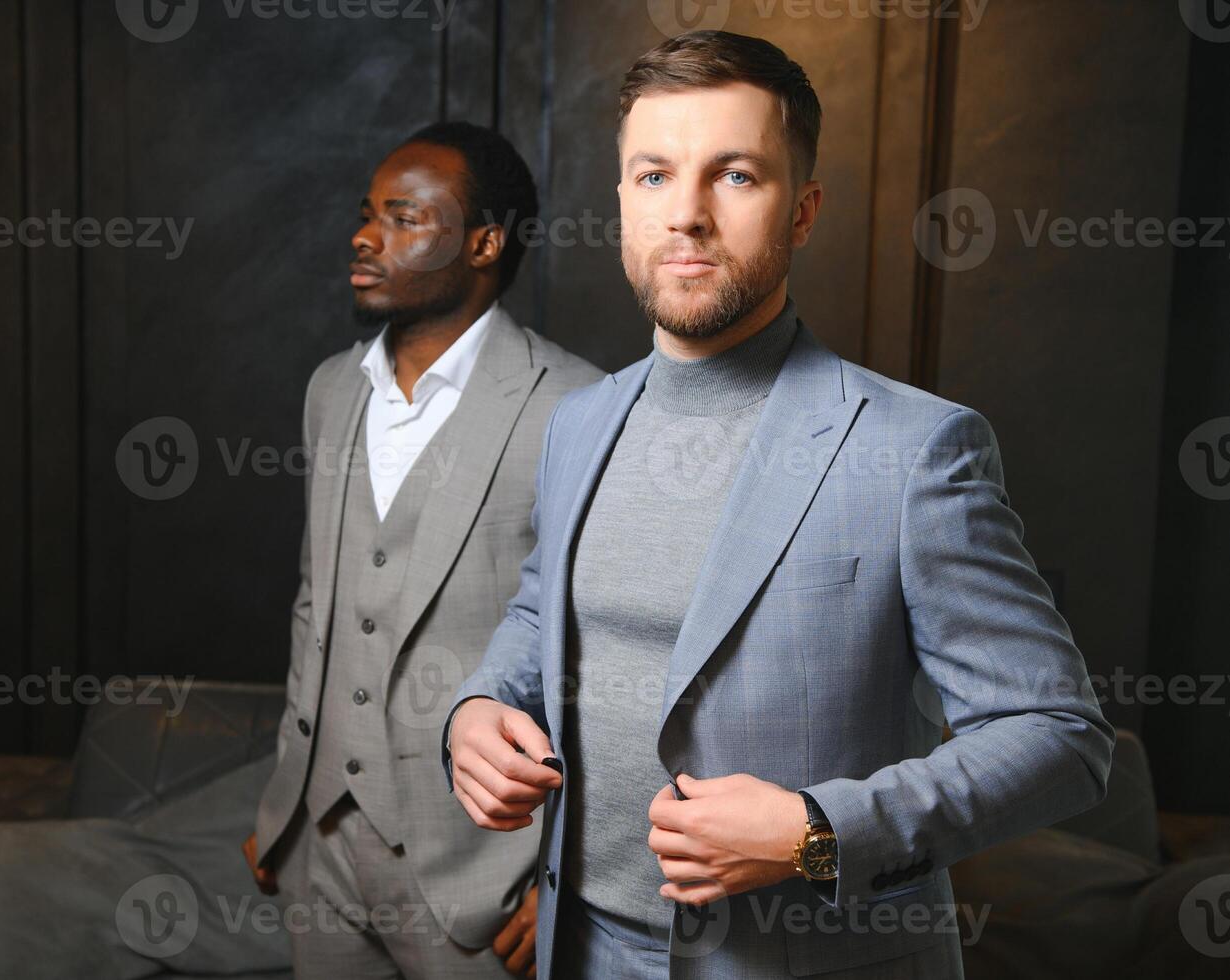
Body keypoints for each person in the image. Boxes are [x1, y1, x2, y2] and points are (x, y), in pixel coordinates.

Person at [443, 31, 1114, 980]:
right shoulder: (578, 424)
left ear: (802, 212)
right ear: (621, 200)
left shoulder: (915, 449)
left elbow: (1060, 739)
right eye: (652, 176)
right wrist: (479, 706)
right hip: (578, 951)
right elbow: (541, 608)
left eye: (735, 176)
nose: (686, 215)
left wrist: (816, 831)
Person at [247, 120, 602, 979]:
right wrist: (284, 800)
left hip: (484, 868)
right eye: (367, 214)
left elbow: (600, 663)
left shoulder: (577, 405)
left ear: (484, 241)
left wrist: (568, 873)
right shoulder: (332, 389)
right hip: (318, 841)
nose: (366, 237)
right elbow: (314, 605)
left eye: (405, 218)